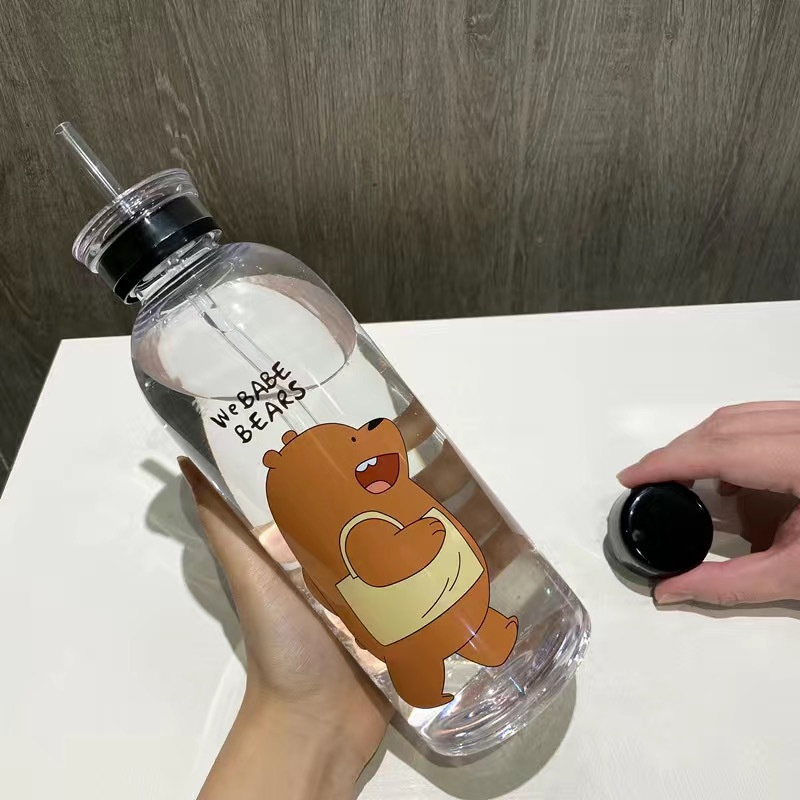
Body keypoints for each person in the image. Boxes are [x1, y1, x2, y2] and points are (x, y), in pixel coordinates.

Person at [179, 401, 800, 797]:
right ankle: (428, 680)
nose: (374, 439)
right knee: (422, 657)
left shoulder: (384, 496)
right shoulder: (358, 531)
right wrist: (308, 711)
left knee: (478, 613)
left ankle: (490, 638)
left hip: (452, 589)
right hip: (409, 616)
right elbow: (371, 556)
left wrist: (307, 722)